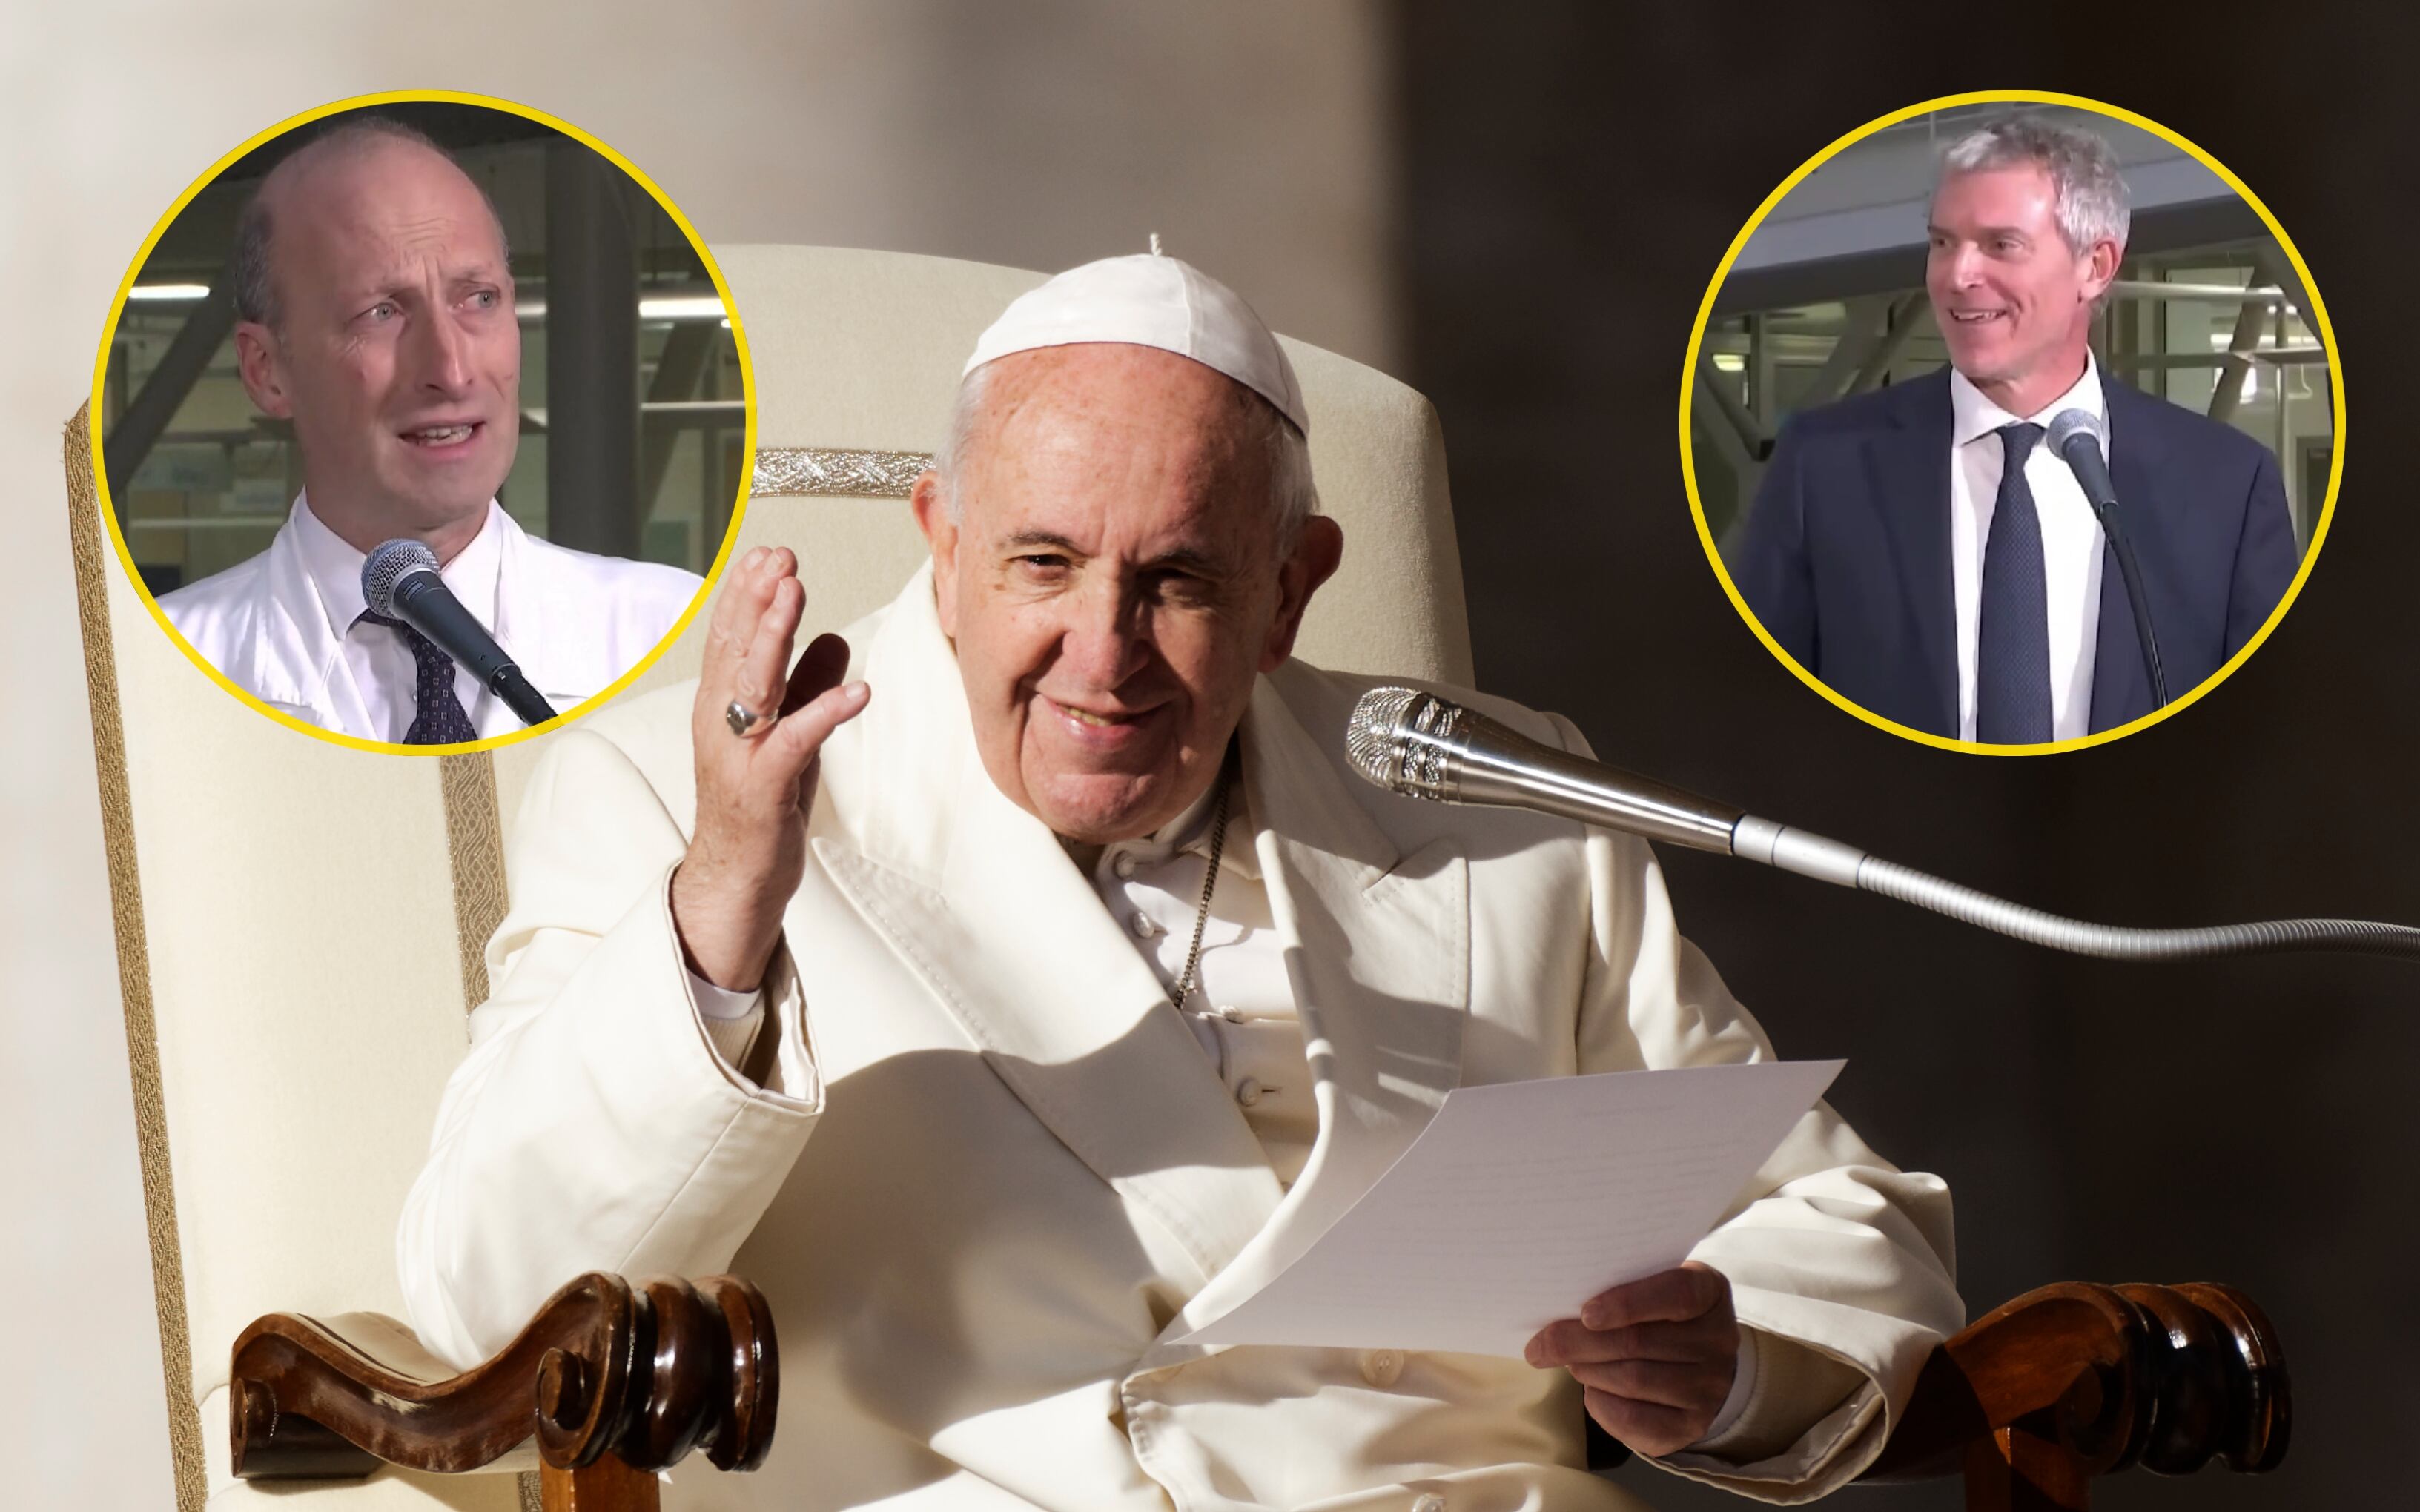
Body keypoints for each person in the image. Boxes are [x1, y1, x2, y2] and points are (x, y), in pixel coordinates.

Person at [399, 251, 1960, 1509]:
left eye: (1180, 580)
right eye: (1042, 563)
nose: (1105, 653)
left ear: (1293, 589)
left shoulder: (1502, 802)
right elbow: (495, 1297)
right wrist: (726, 912)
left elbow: (1847, 1218)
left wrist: (1729, 1358)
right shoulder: (688, 801)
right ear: (939, 545)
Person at [1728, 116, 2298, 743]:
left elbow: (2271, 740)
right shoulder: (1823, 466)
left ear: (2096, 265)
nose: (1957, 275)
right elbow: (1755, 721)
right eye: (1943, 242)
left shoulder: (2229, 485)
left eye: (2001, 245)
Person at [156, 116, 700, 744]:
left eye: (479, 300)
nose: (451, 369)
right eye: (380, 313)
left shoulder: (677, 636)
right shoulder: (151, 671)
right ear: (267, 369)